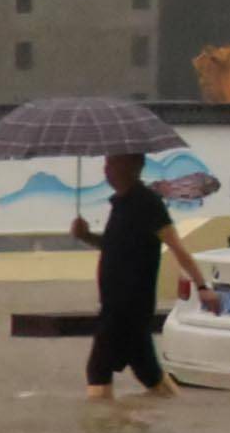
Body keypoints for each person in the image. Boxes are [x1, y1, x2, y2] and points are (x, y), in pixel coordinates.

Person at [69, 152, 202, 400]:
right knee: (147, 371)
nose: (106, 170)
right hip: (114, 304)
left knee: (98, 369)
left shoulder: (147, 203)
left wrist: (203, 287)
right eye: (106, 163)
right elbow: (113, 246)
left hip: (129, 307)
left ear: (133, 166)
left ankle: (101, 428)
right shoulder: (120, 204)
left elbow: (176, 247)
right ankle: (174, 410)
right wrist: (85, 236)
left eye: (112, 163)